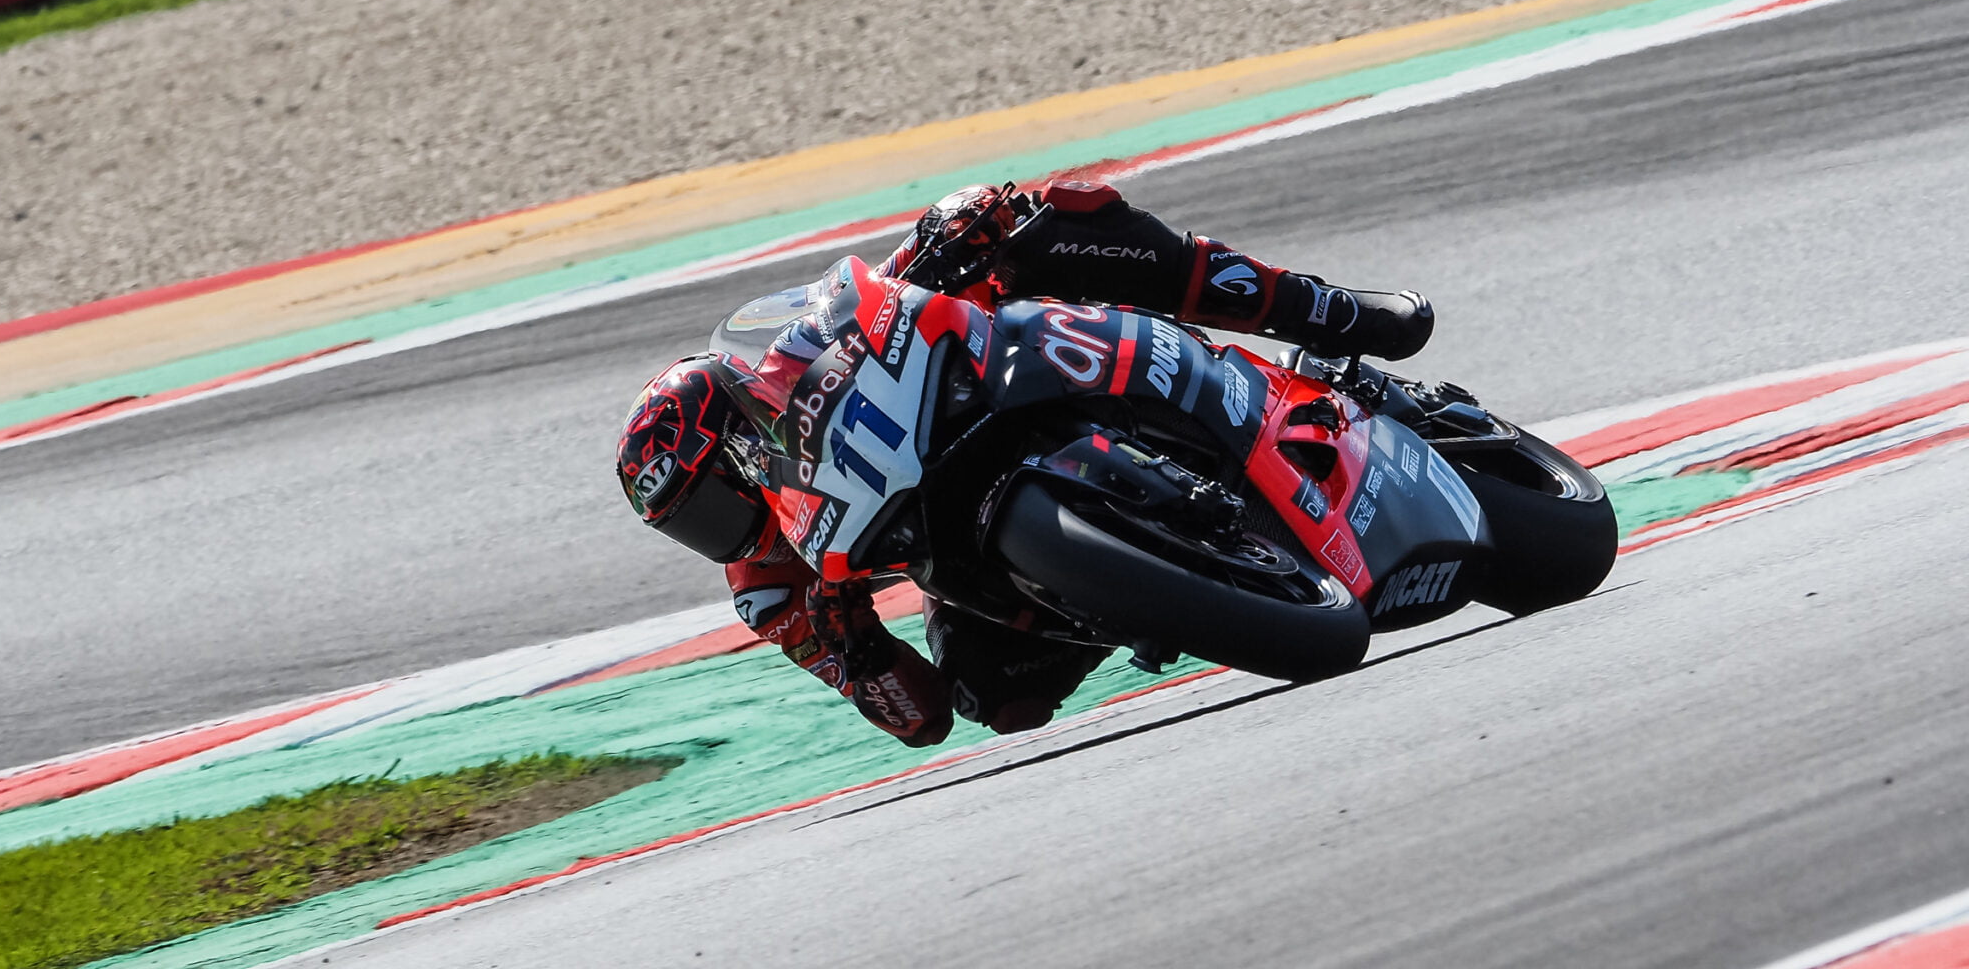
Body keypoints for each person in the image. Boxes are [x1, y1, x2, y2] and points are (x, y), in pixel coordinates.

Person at [614, 178, 1433, 747]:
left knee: (1046, 229)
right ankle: (1153, 587)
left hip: (992, 383)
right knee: (995, 697)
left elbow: (875, 297)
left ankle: (1321, 309)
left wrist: (946, 232)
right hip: (956, 547)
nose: (721, 533)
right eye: (693, 528)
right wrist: (857, 658)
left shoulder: (790, 361)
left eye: (711, 500)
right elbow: (920, 719)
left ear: (739, 435)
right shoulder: (767, 589)